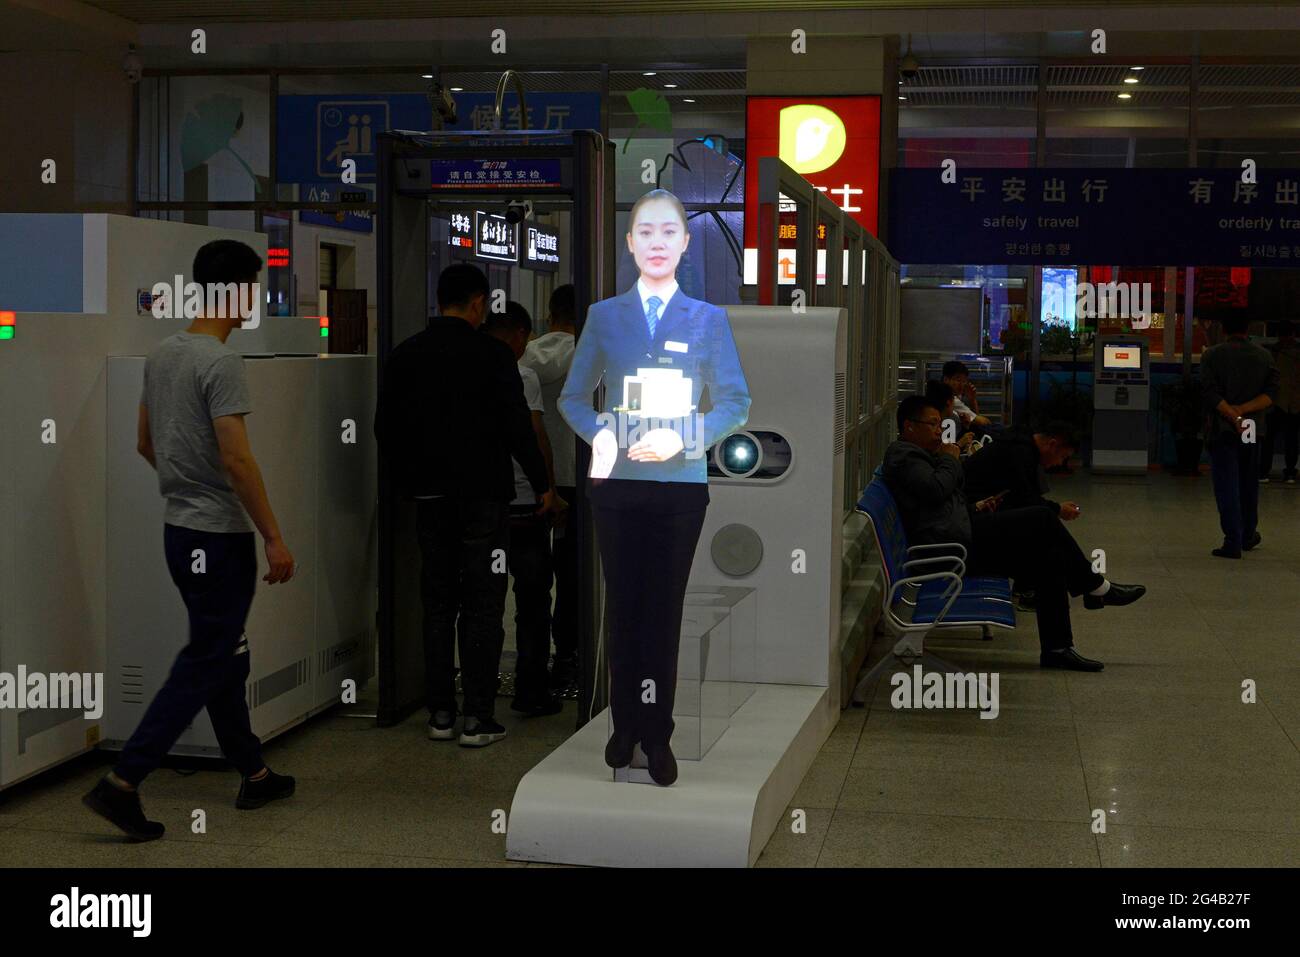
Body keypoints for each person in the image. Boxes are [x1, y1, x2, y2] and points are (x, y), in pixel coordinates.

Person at [83, 240, 296, 842]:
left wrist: (185, 488)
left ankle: (253, 771)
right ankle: (123, 782)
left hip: (180, 532)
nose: (257, 297)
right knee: (207, 657)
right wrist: (274, 537)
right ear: (237, 288)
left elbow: (146, 444)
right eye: (255, 285)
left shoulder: (164, 353)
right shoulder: (221, 363)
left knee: (223, 652)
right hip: (220, 540)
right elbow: (237, 459)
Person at [559, 188, 750, 785]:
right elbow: (571, 397)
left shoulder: (708, 320)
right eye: (646, 231)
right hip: (616, 485)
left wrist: (687, 438)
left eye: (669, 231)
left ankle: (657, 729)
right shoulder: (604, 316)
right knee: (623, 606)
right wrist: (601, 434)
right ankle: (623, 724)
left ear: (686, 242)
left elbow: (736, 403)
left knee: (663, 612)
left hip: (677, 489)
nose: (658, 242)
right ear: (630, 241)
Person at [375, 263, 556, 748]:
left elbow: (384, 429)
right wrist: (542, 485)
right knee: (483, 604)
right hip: (484, 502)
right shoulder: (492, 355)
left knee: (437, 605)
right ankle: (477, 718)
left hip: (430, 501)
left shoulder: (405, 355)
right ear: (478, 303)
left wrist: (407, 483)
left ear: (440, 301)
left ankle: (439, 713)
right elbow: (519, 428)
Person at [882, 395, 1146, 672]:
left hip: (957, 535)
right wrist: (951, 460)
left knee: (1049, 556)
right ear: (910, 427)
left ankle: (1058, 648)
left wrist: (976, 507)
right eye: (932, 424)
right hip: (948, 550)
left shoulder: (919, 456)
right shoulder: (905, 457)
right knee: (1042, 518)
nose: (940, 430)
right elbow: (937, 490)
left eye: (940, 423)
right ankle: (1095, 587)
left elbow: (937, 502)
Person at [484, 301, 564, 717]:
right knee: (533, 603)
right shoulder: (521, 374)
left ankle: (477, 697)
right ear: (518, 335)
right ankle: (531, 691)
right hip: (524, 505)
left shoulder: (468, 372)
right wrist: (547, 489)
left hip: (482, 507)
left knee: (482, 602)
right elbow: (535, 434)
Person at [520, 284, 579, 691]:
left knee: (532, 578)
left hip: (534, 480)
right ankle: (569, 655)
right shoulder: (591, 353)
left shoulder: (523, 357)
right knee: (574, 574)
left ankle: (534, 664)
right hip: (579, 476)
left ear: (549, 313)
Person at [1201, 314, 1279, 558]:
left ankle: (1232, 540)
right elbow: (1270, 395)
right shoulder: (1264, 356)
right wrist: (1244, 413)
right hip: (1252, 428)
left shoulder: (1212, 355)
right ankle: (1248, 534)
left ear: (1223, 329)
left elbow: (1209, 393)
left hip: (1223, 429)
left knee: (1227, 485)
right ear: (1248, 328)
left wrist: (1233, 416)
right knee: (1247, 482)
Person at [963, 421, 1083, 522]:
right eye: (1062, 456)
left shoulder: (1021, 444)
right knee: (1043, 518)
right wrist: (1058, 509)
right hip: (970, 510)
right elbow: (1024, 499)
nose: (1059, 463)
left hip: (973, 504)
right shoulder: (1020, 453)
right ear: (1052, 444)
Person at [1259, 320, 1300, 484]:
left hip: (1274, 402)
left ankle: (1264, 472)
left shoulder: (1271, 353)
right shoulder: (1297, 352)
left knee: (1268, 439)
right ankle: (1290, 473)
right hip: (1295, 403)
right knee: (1291, 440)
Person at [942, 360, 994, 431]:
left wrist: (972, 399)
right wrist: (973, 400)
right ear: (946, 379)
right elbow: (984, 422)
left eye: (964, 381)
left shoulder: (943, 394)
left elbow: (975, 420)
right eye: (958, 380)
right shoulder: (950, 399)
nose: (961, 385)